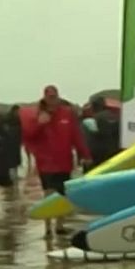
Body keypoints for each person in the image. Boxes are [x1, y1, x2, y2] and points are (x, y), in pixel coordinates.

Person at [25, 85, 90, 234]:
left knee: (63, 195)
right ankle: (47, 227)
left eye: (55, 97)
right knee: (48, 194)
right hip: (45, 163)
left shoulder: (67, 114)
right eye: (50, 97)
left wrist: (85, 155)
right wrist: (39, 124)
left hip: (64, 162)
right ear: (45, 98)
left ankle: (59, 226)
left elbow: (76, 136)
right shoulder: (37, 115)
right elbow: (28, 136)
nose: (53, 100)